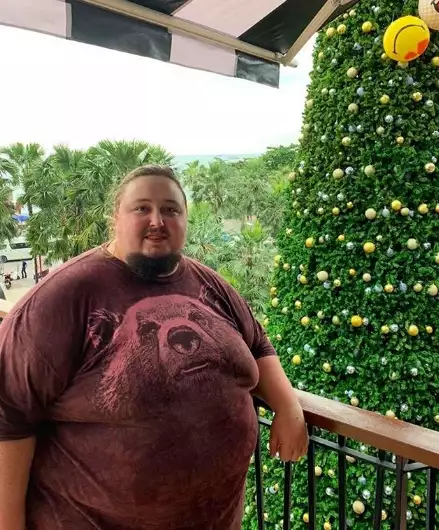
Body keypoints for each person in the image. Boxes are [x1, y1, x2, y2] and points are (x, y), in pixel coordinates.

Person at [0, 165, 308, 530]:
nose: (157, 221)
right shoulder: (65, 296)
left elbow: (257, 342)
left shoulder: (210, 284)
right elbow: (9, 415)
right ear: (115, 218)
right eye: (142, 208)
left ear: (185, 219)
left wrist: (288, 407)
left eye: (170, 209)